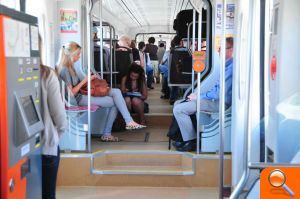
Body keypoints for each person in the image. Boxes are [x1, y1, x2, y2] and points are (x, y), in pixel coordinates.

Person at [57, 42, 146, 142]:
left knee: (116, 92)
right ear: (71, 55)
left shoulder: (71, 67)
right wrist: (85, 81)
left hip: (81, 95)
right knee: (116, 102)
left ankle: (128, 122)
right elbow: (71, 93)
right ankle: (110, 131)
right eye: (78, 54)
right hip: (78, 99)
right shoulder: (65, 70)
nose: (79, 57)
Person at [173, 37, 234, 152]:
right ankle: (184, 137)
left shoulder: (231, 68)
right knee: (178, 103)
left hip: (220, 103)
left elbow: (218, 94)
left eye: (224, 48)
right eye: (220, 48)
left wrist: (198, 96)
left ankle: (190, 141)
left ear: (232, 50)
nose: (220, 51)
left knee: (179, 109)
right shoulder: (226, 66)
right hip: (215, 100)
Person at [40, 37, 67, 199]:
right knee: (47, 193)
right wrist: (57, 135)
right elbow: (59, 115)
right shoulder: (46, 74)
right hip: (46, 144)